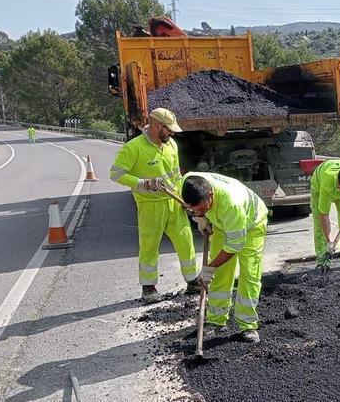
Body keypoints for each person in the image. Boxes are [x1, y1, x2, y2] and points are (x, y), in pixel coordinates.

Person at [109, 108, 199, 303]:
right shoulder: (134, 148)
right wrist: (143, 183)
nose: (172, 133)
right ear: (157, 126)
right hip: (150, 206)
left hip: (173, 202)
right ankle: (149, 288)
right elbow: (116, 174)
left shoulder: (171, 145)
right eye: (169, 129)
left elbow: (176, 175)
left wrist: (184, 197)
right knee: (149, 246)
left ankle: (192, 281)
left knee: (186, 241)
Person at [182, 172, 268, 343]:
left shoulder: (232, 204)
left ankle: (248, 324)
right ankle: (216, 320)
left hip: (252, 224)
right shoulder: (189, 181)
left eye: (201, 208)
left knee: (249, 274)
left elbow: (234, 245)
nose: (197, 211)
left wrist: (209, 267)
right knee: (220, 273)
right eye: (194, 209)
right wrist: (201, 217)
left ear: (211, 195)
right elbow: (193, 205)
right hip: (222, 224)